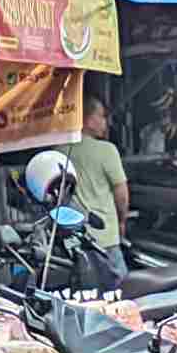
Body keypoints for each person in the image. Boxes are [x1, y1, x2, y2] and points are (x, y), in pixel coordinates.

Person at [65, 96, 130, 282]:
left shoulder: (60, 150)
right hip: (105, 237)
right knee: (122, 291)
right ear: (87, 119)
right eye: (101, 116)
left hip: (74, 240)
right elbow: (121, 193)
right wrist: (122, 220)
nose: (105, 122)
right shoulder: (106, 150)